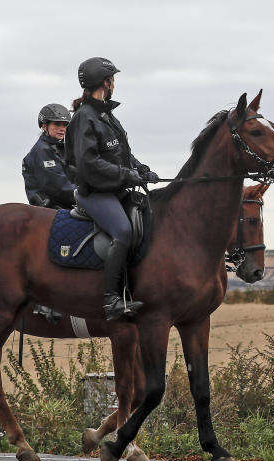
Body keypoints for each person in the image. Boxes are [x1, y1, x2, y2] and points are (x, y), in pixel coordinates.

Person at [64, 57, 159, 320]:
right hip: (94, 193)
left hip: (115, 189)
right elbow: (88, 164)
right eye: (112, 79)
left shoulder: (106, 114)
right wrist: (127, 174)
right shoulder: (84, 117)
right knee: (123, 231)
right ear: (105, 82)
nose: (114, 83)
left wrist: (141, 169)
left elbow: (121, 154)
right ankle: (111, 300)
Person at [21, 104, 77, 209]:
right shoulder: (42, 151)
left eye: (65, 125)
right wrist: (86, 195)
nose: (62, 129)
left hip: (66, 203)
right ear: (44, 126)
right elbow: (59, 186)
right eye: (57, 124)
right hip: (52, 208)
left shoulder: (60, 148)